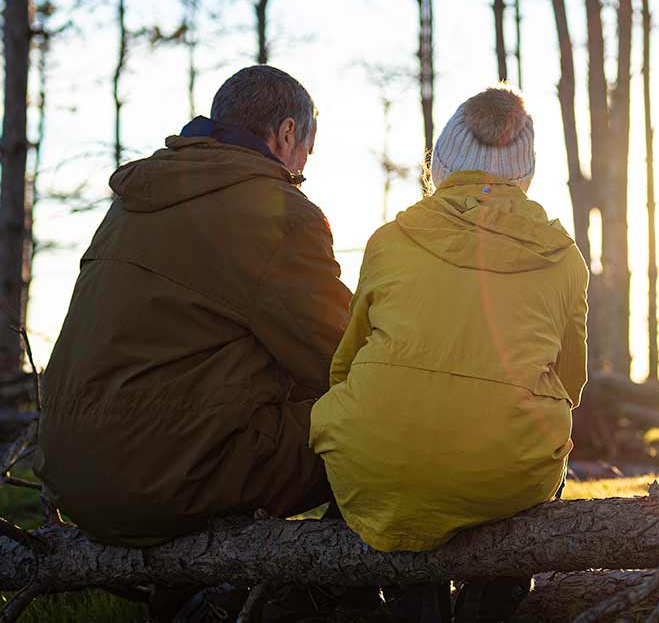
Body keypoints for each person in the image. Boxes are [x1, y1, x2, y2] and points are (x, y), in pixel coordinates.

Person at [35, 65, 351, 549]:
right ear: (288, 132)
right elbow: (342, 356)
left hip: (76, 479)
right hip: (169, 480)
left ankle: (197, 596)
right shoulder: (274, 209)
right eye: (306, 152)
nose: (303, 170)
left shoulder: (133, 202)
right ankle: (318, 590)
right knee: (379, 418)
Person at [309, 85, 589, 622]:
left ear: (440, 162)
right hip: (503, 468)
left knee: (397, 451)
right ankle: (489, 603)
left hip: (378, 456)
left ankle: (416, 600)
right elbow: (570, 384)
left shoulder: (390, 239)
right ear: (525, 170)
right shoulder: (563, 257)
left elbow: (344, 366)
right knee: (534, 449)